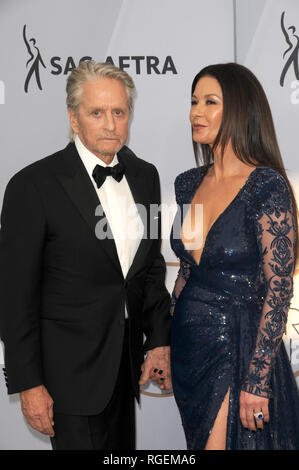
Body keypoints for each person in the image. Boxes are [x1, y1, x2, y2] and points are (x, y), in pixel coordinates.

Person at [0, 60, 172, 450]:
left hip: (123, 372)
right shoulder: (33, 186)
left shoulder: (146, 176)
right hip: (66, 381)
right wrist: (29, 384)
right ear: (73, 118)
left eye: (119, 112)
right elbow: (15, 297)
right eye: (97, 112)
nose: (110, 124)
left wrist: (158, 338)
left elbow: (148, 269)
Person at [170, 62, 299, 450]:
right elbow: (188, 273)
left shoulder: (266, 186)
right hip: (189, 354)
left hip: (238, 351)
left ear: (240, 110)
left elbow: (279, 287)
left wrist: (258, 380)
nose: (196, 112)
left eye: (210, 102)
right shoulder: (188, 183)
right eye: (194, 101)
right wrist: (162, 339)